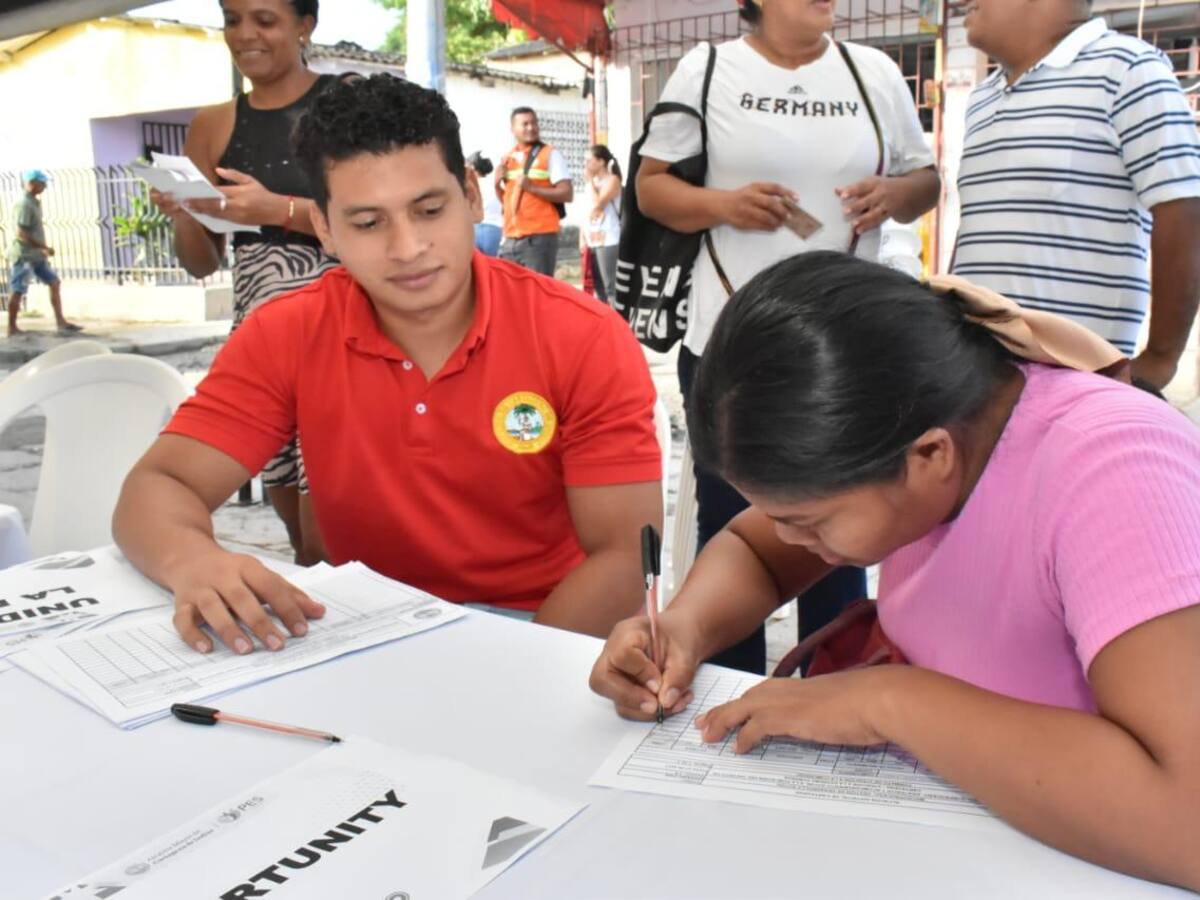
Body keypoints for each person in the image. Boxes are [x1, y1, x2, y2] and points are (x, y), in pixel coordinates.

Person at [590, 251, 1200, 892]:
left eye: (811, 520)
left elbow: (1186, 821)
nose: (792, 538)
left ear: (930, 454)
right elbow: (757, 552)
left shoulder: (1115, 471)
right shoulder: (915, 435)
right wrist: (684, 628)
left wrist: (887, 703)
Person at [114, 74, 663, 657]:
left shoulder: (580, 335)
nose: (407, 248)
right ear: (324, 228)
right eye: (368, 223)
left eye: (429, 209)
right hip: (359, 631)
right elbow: (158, 485)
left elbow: (624, 555)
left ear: (473, 196)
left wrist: (514, 672)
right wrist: (194, 561)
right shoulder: (287, 331)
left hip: (542, 626)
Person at [635, 0, 940, 673]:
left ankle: (836, 690)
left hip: (845, 350)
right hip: (729, 340)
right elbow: (651, 188)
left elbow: (926, 181)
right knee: (729, 525)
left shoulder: (874, 73)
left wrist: (893, 194)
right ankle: (724, 692)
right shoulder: (708, 68)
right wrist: (723, 205)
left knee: (845, 535)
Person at [149, 0, 345, 563]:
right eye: (233, 19)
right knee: (297, 536)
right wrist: (184, 211)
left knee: (330, 532)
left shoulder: (343, 104)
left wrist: (275, 208)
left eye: (265, 19)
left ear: (304, 26)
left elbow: (373, 222)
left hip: (340, 328)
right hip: (262, 337)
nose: (245, 34)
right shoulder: (212, 124)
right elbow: (203, 263)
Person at [953, 0, 1200, 390]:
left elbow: (1183, 211)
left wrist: (1160, 359)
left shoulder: (1127, 70)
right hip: (976, 369)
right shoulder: (982, 99)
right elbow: (978, 230)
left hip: (1075, 377)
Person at [495, 107, 574, 276]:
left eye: (534, 123)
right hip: (510, 238)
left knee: (537, 296)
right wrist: (496, 185)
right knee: (508, 295)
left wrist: (533, 188)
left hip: (538, 238)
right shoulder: (508, 157)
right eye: (525, 124)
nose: (531, 127)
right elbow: (508, 202)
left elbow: (567, 193)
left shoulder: (550, 154)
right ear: (513, 129)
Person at [6, 170, 81, 338]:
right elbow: (21, 233)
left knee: (54, 282)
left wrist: (41, 249)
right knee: (18, 289)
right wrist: (43, 247)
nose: (45, 187)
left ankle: (61, 322)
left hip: (37, 255)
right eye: (42, 183)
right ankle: (11, 327)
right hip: (25, 255)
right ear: (32, 183)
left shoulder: (33, 203)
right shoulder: (24, 204)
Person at [583, 144, 622, 305]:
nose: (586, 164)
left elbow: (599, 204)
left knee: (610, 285)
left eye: (589, 160)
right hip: (593, 239)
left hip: (609, 238)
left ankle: (616, 319)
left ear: (600, 161)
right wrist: (582, 238)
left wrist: (591, 182)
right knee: (597, 285)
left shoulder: (612, 180)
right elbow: (585, 213)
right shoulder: (590, 184)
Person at [467, 151, 503, 257]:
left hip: (474, 228)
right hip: (495, 229)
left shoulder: (470, 185)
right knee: (492, 267)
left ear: (473, 167)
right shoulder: (495, 184)